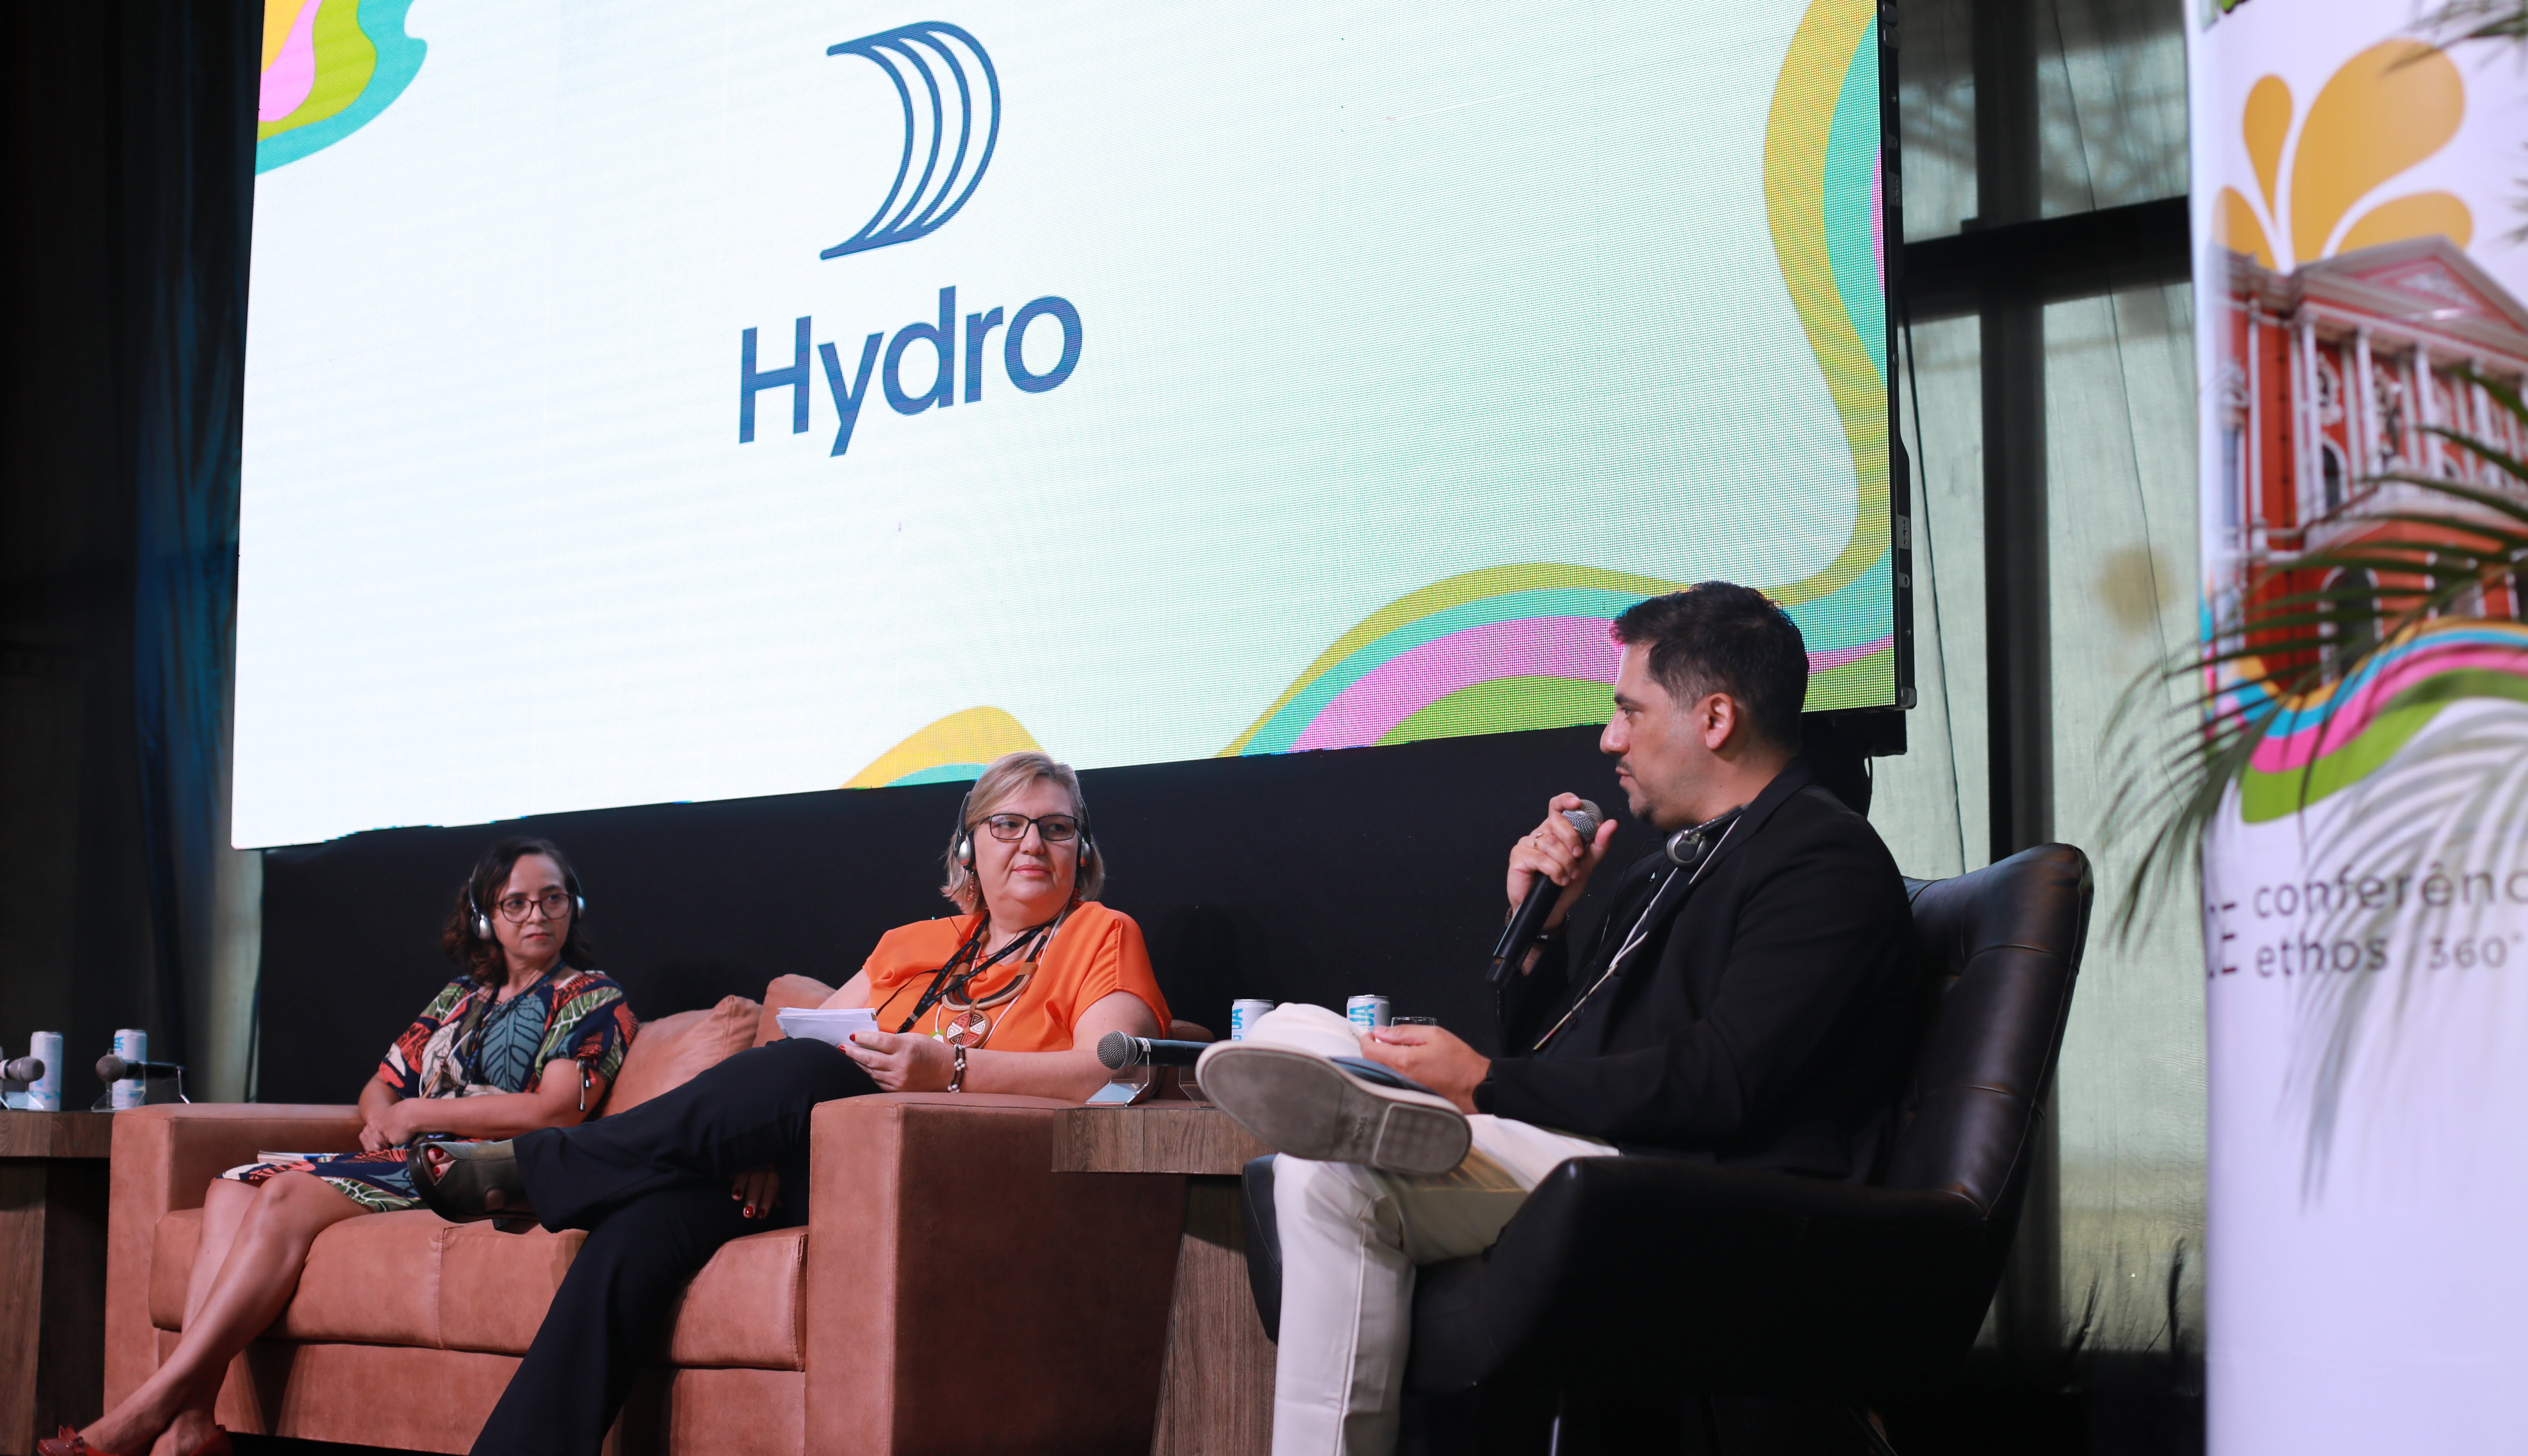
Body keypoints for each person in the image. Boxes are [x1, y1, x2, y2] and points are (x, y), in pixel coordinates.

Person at [1195, 582, 1925, 1456]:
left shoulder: (1821, 857)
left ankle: (1364, 1092)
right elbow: (1576, 1051)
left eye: (1628, 710)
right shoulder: (1668, 870)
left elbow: (1725, 1078)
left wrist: (1485, 1082)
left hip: (1707, 1186)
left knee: (1338, 1175)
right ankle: (1348, 1075)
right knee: (1313, 1155)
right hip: (1616, 1157)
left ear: (1717, 719)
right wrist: (1542, 931)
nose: (1609, 738)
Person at [425, 751, 1170, 1456]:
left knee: (809, 1070)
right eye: (1007, 824)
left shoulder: (1100, 934)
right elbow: (805, 1043)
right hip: (836, 1169)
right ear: (969, 847)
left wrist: (949, 1068)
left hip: (966, 1173)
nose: (1032, 842)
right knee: (638, 1233)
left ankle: (542, 1167)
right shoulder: (912, 945)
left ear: (1082, 851)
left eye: (1057, 827)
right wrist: (758, 1147)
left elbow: (1111, 1071)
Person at [45, 839, 633, 1456]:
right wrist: (384, 1117)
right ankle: (191, 1420)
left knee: (286, 1196)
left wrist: (417, 1113)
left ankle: (150, 1408)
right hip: (404, 1156)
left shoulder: (591, 996)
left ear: (575, 907)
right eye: (516, 903)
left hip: (478, 1166)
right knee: (232, 1184)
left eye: (553, 899)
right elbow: (378, 1087)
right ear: (486, 916)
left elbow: (556, 1108)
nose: (538, 916)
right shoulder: (460, 998)